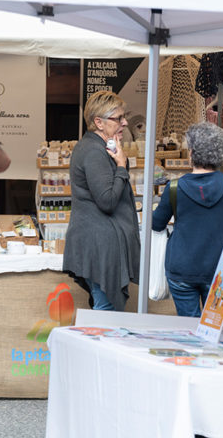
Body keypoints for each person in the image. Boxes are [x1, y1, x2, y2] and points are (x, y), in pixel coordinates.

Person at [63, 90, 139, 311]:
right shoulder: (94, 152)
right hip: (100, 244)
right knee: (106, 313)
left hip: (97, 241)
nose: (125, 123)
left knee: (104, 309)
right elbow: (107, 201)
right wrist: (121, 166)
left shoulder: (95, 146)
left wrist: (119, 162)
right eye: (118, 118)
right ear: (99, 122)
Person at [152, 122, 223, 317]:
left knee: (188, 328)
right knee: (215, 327)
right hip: (220, 268)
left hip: (182, 266)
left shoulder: (175, 187)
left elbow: (157, 224)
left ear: (191, 153)